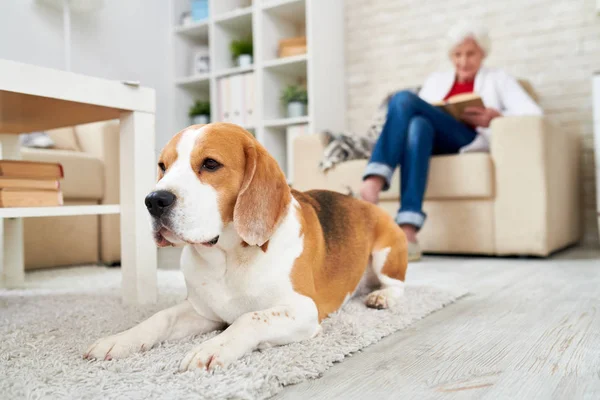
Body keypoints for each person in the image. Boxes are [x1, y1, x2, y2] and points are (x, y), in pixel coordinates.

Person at [359, 20, 543, 261]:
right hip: (431, 141)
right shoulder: (436, 80)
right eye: (457, 54)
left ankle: (375, 179)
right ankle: (408, 233)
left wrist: (496, 117)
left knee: (403, 98)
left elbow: (534, 114)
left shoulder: (498, 78)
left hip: (466, 138)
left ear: (482, 54)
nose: (463, 61)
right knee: (418, 125)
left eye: (470, 54)